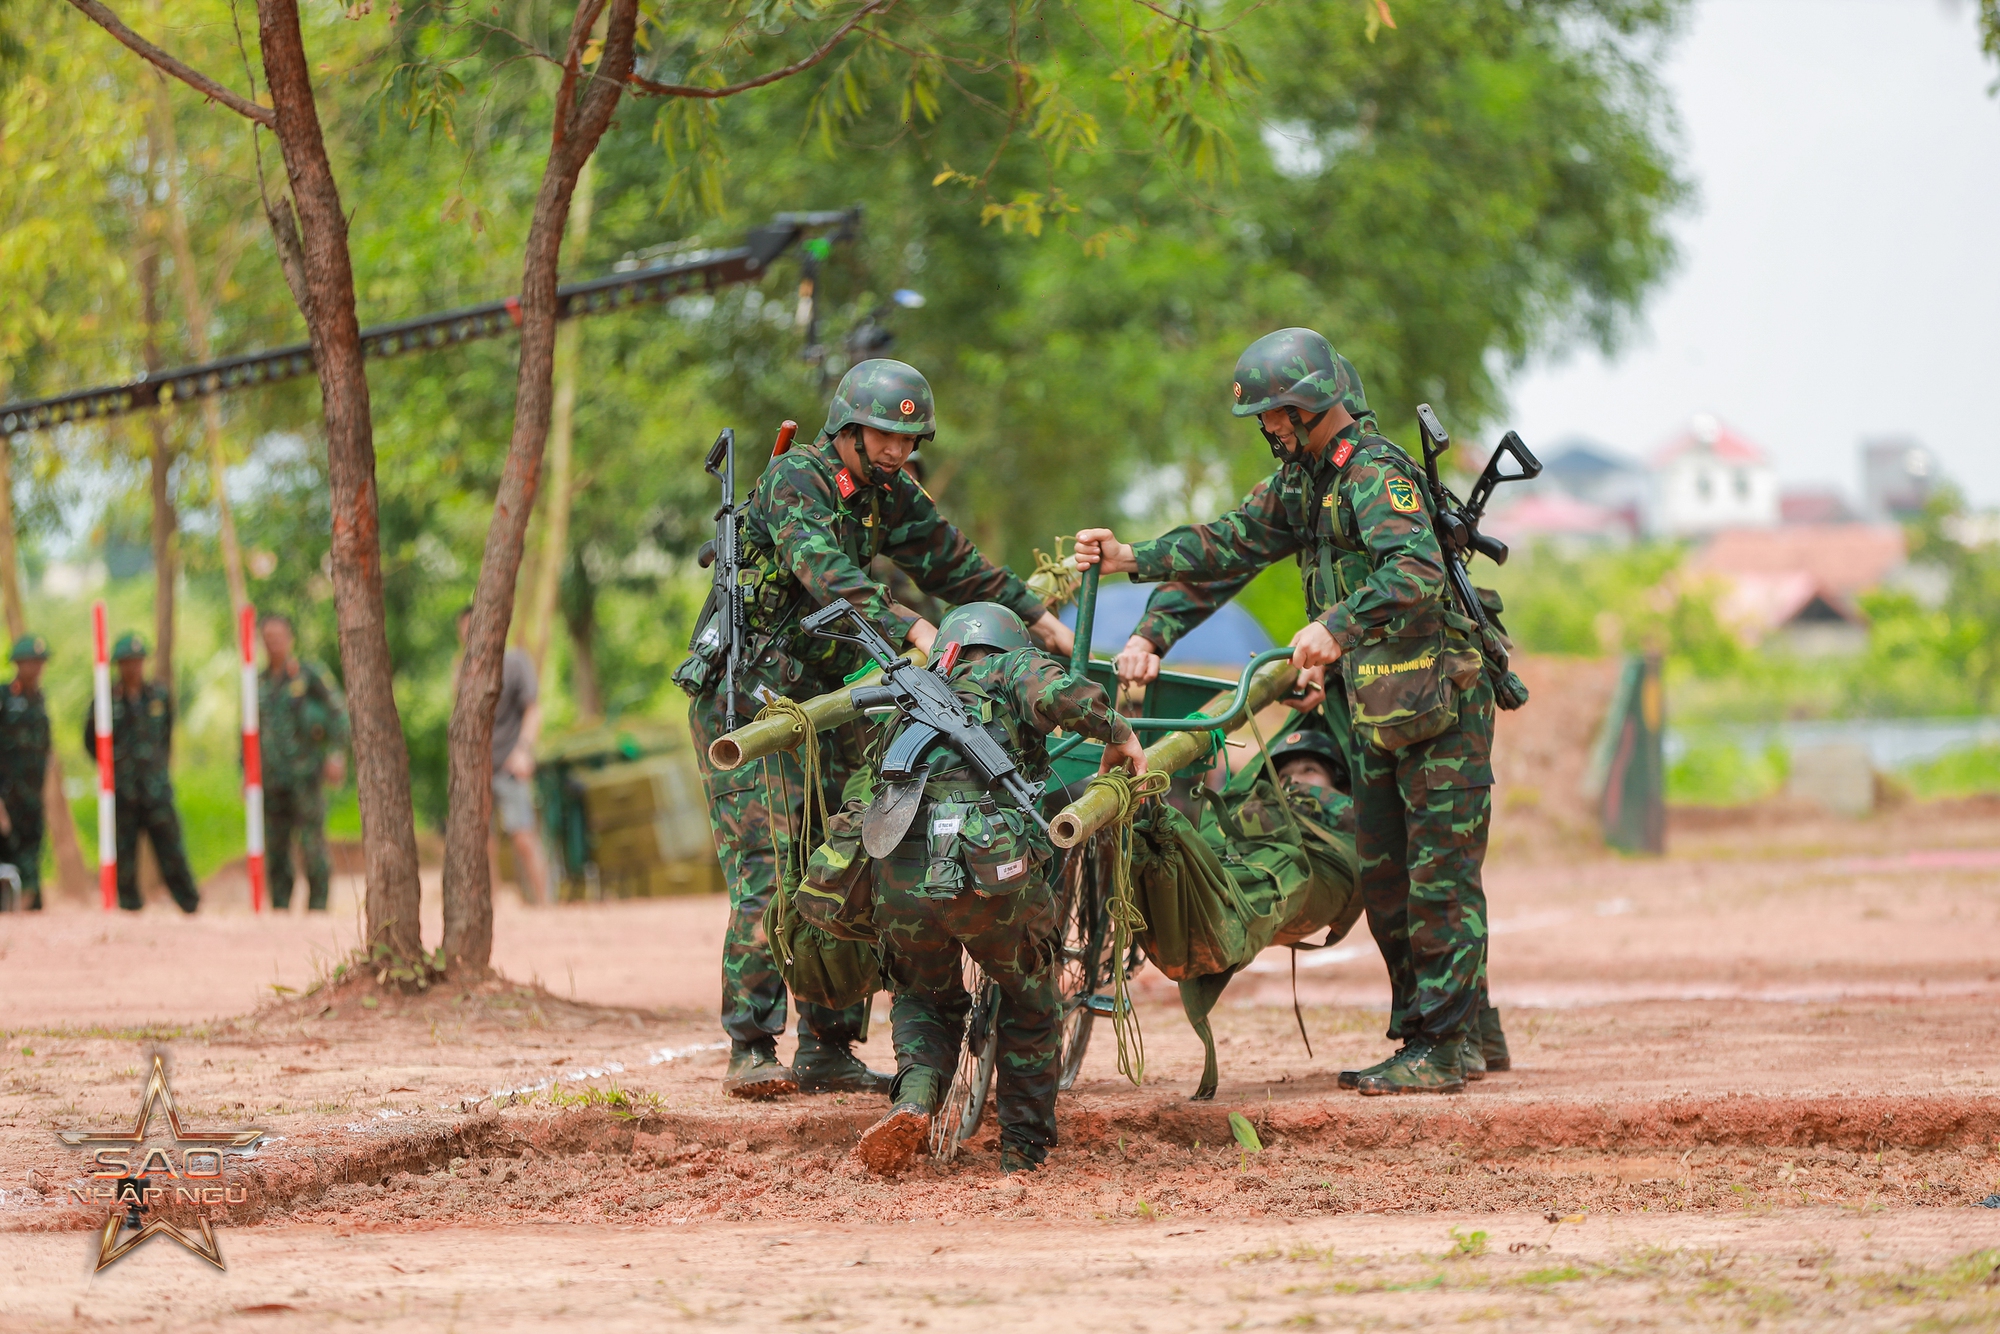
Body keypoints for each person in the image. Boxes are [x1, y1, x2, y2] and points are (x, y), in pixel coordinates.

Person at [1075, 327, 1504, 1094]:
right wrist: (1133, 562)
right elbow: (1228, 547)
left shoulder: (1376, 475)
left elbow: (1416, 572)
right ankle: (1454, 1030)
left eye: (1273, 414)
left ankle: (1444, 1042)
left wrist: (1335, 625)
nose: (1267, 428)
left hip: (1437, 702)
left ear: (1308, 407)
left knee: (1437, 874)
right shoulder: (1304, 481)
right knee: (1386, 875)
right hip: (1377, 703)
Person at [675, 358, 1075, 1101]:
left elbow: (951, 559)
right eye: (884, 435)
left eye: (908, 438)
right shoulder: (798, 479)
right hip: (750, 704)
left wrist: (1036, 618)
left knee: (846, 859)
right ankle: (752, 1045)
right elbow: (828, 576)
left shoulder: (888, 493)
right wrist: (918, 627)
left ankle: (827, 1046)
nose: (897, 450)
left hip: (832, 702)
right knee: (769, 870)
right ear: (849, 428)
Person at [850, 603, 1144, 1175]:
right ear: (1011, 643)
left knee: (921, 995)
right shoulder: (1012, 670)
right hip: (989, 870)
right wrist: (1122, 734)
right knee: (1030, 993)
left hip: (900, 868)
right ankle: (1022, 1148)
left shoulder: (914, 691)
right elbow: (1067, 697)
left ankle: (914, 1100)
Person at [79, 633, 198, 913]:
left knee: (171, 849)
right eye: (126, 662)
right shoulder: (106, 700)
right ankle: (130, 908)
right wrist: (115, 768)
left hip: (156, 789)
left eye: (137, 661)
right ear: (118, 665)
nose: (133, 668)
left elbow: (166, 735)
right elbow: (90, 741)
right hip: (123, 791)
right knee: (124, 853)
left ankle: (190, 905)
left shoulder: (158, 695)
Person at [257, 613, 350, 912]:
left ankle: (318, 909)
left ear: (290, 639)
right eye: (268, 639)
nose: (273, 644)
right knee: (276, 849)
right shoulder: (257, 682)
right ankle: (281, 909)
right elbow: (245, 731)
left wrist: (336, 755)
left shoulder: (308, 675)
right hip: (271, 779)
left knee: (311, 845)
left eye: (278, 638)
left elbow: (338, 711)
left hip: (306, 775)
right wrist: (246, 772)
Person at [457, 608, 548, 908]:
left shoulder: (516, 662)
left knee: (523, 836)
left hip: (510, 764)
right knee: (482, 843)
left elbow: (533, 710)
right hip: (478, 768)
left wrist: (523, 751)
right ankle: (490, 909)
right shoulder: (463, 670)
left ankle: (546, 905)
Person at [0, 634, 52, 910]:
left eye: (39, 663)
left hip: (32, 792)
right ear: (18, 664)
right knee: (8, 849)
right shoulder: (4, 697)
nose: (35, 669)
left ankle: (31, 905)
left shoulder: (39, 700)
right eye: (29, 663)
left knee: (32, 846)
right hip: (7, 793)